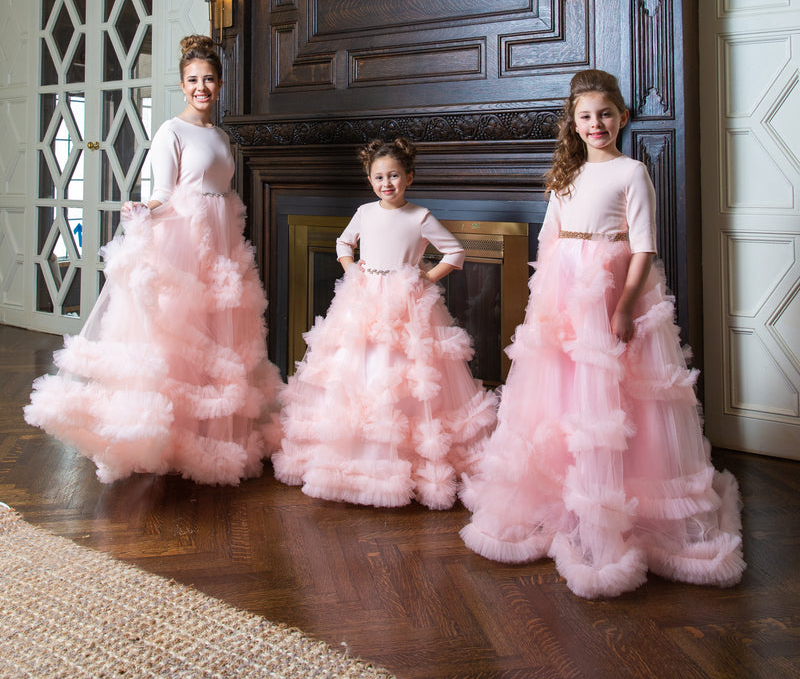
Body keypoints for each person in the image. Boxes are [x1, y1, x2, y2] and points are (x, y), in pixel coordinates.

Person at [460, 69, 745, 598]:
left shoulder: (632, 171)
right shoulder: (564, 176)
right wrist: (543, 306)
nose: (597, 124)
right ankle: (565, 499)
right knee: (563, 395)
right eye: (586, 117)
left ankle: (616, 499)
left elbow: (643, 247)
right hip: (564, 292)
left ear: (623, 117)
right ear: (573, 122)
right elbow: (548, 240)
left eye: (606, 114)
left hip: (611, 287)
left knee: (616, 396)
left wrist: (625, 306)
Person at [25, 34, 283, 485]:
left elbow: (220, 191)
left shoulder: (221, 135)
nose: (200, 87)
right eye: (192, 80)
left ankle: (211, 434)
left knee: (220, 334)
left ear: (220, 84)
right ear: (182, 85)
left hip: (221, 245)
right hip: (185, 242)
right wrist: (145, 210)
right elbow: (164, 193)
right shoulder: (171, 130)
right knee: (179, 335)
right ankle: (167, 434)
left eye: (208, 79)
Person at [272, 137, 497, 509]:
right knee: (356, 369)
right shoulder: (364, 212)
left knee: (398, 371)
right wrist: (351, 270)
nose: (386, 183)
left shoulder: (420, 216)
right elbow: (344, 244)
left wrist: (424, 278)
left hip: (403, 305)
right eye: (378, 177)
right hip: (362, 299)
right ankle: (350, 457)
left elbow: (456, 251)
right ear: (370, 179)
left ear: (409, 177)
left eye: (394, 176)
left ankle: (395, 459)